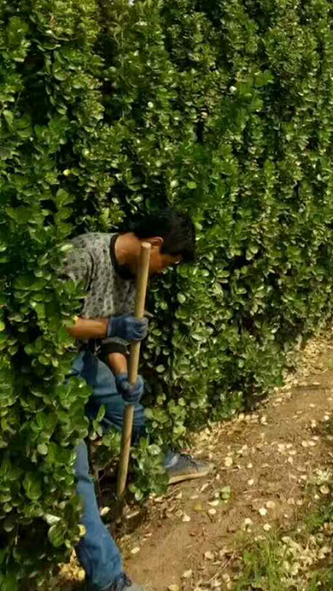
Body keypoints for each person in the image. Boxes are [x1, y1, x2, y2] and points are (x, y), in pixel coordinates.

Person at [64, 209, 211, 591]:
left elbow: (112, 341)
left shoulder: (133, 276)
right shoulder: (83, 253)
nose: (165, 271)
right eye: (170, 263)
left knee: (127, 406)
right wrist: (110, 326)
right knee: (75, 474)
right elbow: (48, 321)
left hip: (81, 361)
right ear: (155, 245)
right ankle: (109, 579)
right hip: (46, 375)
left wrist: (119, 373)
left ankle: (163, 462)